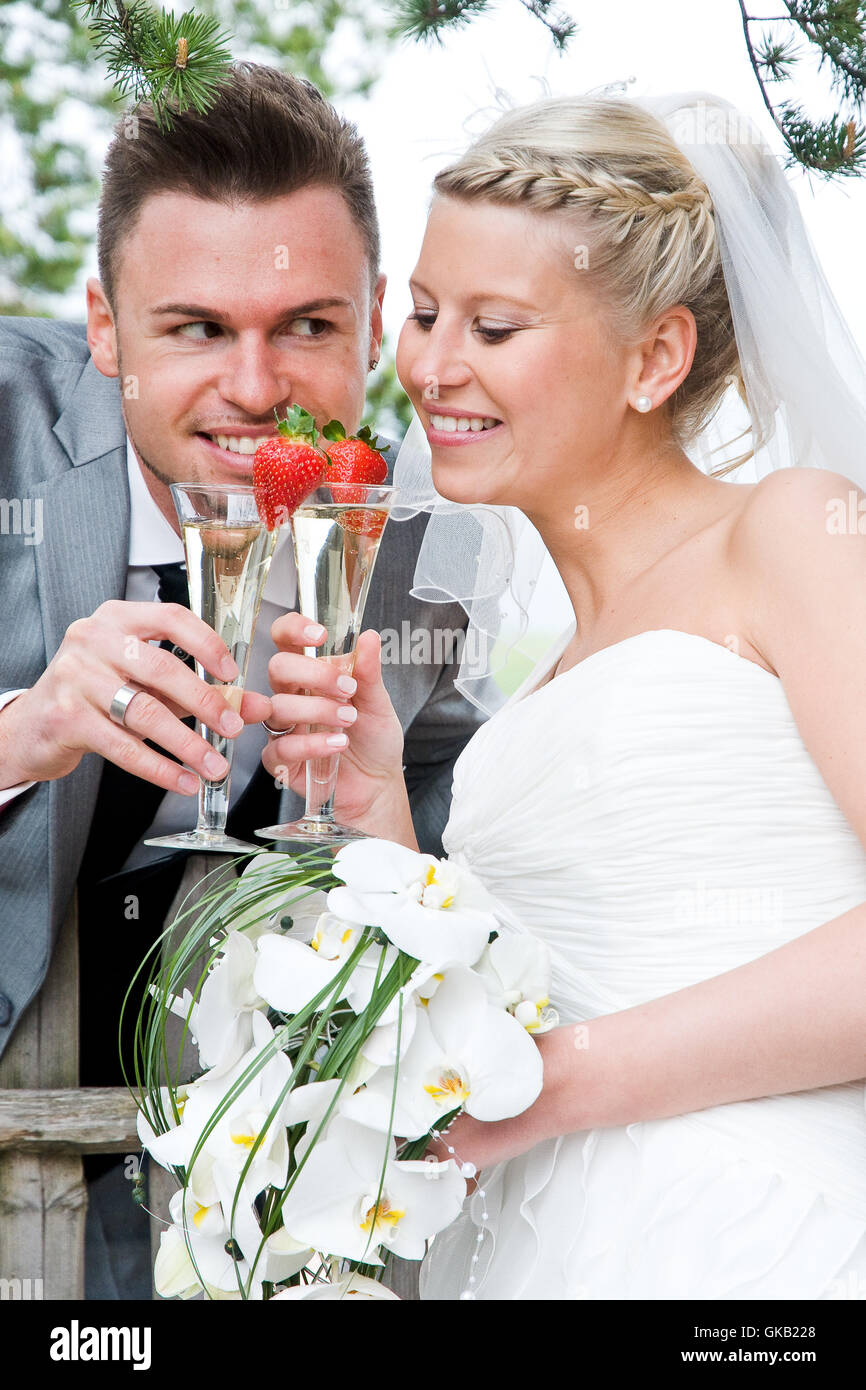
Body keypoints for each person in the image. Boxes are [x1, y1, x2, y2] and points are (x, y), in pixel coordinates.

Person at [270, 90, 866, 1299]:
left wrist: (560, 1080)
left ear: (654, 357)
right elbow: (503, 994)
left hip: (748, 1240)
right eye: (426, 313)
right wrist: (380, 807)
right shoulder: (548, 673)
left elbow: (544, 1059)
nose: (431, 366)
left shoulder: (792, 529)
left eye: (494, 328)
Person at [0, 62, 483, 1298]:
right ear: (106, 328)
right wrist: (28, 726)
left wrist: (375, 819)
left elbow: (447, 826)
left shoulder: (435, 532)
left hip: (235, 1160)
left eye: (308, 327)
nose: (258, 389)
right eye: (197, 328)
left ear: (374, 324)